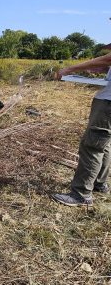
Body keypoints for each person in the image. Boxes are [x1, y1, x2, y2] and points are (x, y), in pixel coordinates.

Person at [53, 53, 111, 206]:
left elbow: (108, 58)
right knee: (104, 144)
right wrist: (104, 69)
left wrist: (69, 69)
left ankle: (81, 194)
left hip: (108, 103)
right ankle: (99, 183)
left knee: (92, 146)